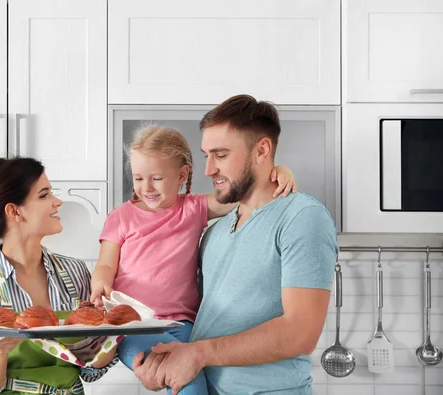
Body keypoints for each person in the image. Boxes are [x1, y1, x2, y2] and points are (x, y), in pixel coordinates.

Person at [132, 95, 338, 395]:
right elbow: (200, 323)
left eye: (221, 155)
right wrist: (164, 368)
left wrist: (198, 354)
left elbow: (300, 333)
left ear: (262, 150)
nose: (209, 170)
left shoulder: (302, 217)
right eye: (206, 156)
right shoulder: (214, 233)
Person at [89, 125, 297, 395]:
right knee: (189, 384)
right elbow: (106, 263)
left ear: (182, 175)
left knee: (203, 380)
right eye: (139, 178)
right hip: (133, 326)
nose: (146, 188)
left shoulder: (193, 208)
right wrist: (100, 284)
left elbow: (242, 195)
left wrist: (278, 172)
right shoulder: (121, 217)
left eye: (157, 178)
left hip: (185, 325)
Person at [0, 157, 118, 395]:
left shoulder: (75, 274)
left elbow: (90, 372)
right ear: (14, 211)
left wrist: (110, 333)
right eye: (44, 195)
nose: (57, 202)